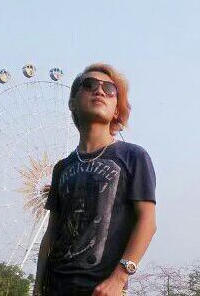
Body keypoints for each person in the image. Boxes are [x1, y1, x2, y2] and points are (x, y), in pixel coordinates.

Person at [34, 63, 157, 296]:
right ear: (72, 103)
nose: (99, 91)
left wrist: (119, 278)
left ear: (117, 110)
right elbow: (51, 233)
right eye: (89, 85)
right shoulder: (62, 168)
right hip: (56, 288)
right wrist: (38, 288)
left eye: (109, 89)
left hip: (101, 289)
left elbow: (147, 222)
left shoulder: (133, 157)